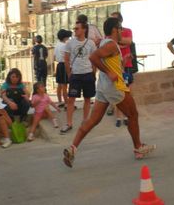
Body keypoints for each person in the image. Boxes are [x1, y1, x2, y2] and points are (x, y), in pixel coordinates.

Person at [62, 17, 155, 168]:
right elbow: (94, 57)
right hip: (114, 87)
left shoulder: (107, 43)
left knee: (93, 120)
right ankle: (138, 147)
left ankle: (72, 148)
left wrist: (123, 61)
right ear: (114, 30)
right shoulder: (111, 44)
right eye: (120, 28)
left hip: (103, 87)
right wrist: (109, 72)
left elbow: (109, 63)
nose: (121, 31)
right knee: (133, 115)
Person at [60, 21, 97, 134]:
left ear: (84, 30)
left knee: (87, 98)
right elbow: (66, 59)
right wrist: (69, 74)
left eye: (77, 28)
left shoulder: (90, 43)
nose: (75, 30)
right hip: (75, 75)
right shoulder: (70, 43)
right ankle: (69, 123)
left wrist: (94, 73)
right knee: (71, 100)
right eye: (74, 28)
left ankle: (85, 121)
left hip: (88, 74)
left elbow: (94, 59)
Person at [110, 11, 133, 127]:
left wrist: (117, 41)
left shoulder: (128, 30)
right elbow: (112, 44)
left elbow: (129, 41)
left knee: (126, 92)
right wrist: (121, 43)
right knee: (117, 92)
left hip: (126, 65)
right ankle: (119, 116)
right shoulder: (109, 34)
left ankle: (126, 115)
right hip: (115, 65)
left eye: (114, 19)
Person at [54, 29, 72, 108]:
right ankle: (66, 103)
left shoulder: (57, 45)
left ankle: (60, 101)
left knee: (59, 84)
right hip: (65, 65)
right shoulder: (65, 46)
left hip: (59, 65)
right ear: (65, 38)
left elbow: (54, 57)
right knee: (65, 85)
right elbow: (68, 57)